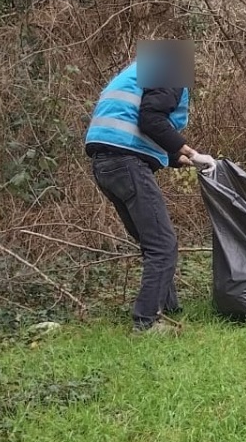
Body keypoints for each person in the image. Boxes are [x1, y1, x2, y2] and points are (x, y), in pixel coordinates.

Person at [85, 41, 214, 334]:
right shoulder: (170, 70)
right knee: (163, 245)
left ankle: (169, 308)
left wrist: (184, 160)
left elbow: (136, 129)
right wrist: (191, 151)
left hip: (105, 164)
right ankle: (146, 322)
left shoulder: (140, 72)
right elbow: (151, 120)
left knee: (152, 242)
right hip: (127, 162)